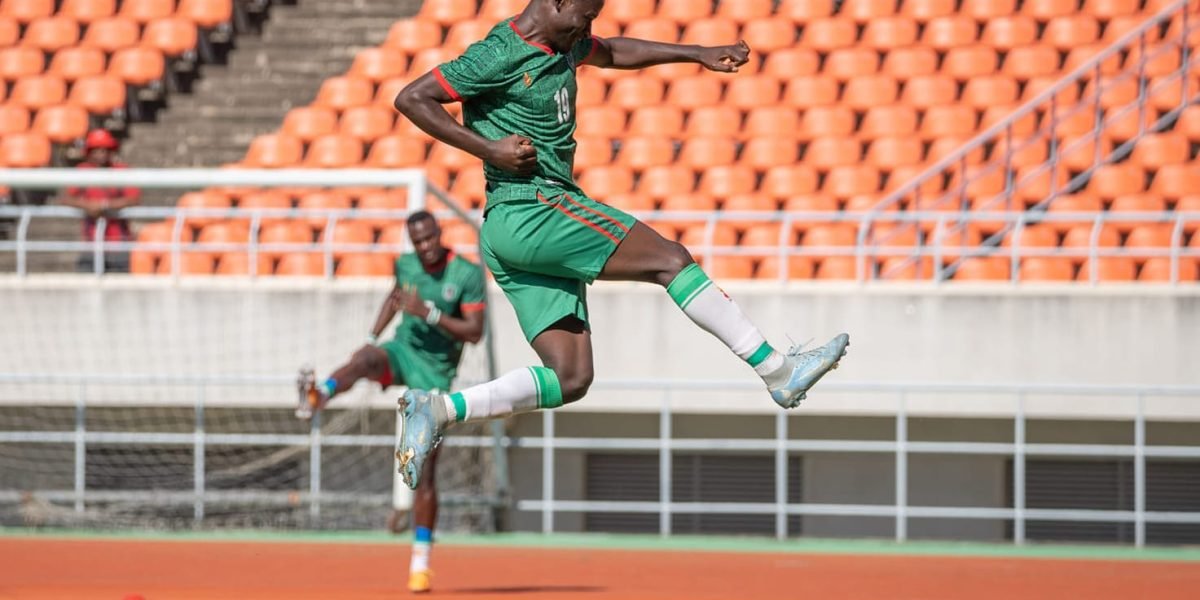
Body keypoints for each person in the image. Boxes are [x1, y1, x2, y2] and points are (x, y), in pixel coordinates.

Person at [391, 0, 849, 490]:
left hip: (511, 229)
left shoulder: (563, 40)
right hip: (535, 207)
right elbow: (412, 97)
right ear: (558, 2)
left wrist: (696, 53)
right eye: (585, 16)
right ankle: (778, 371)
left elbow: (614, 51)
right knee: (671, 260)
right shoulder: (499, 53)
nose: (589, 28)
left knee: (571, 378)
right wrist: (489, 149)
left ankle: (438, 408)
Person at [295, 210, 485, 594]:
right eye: (418, 241)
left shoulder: (466, 274)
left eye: (430, 238)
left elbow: (475, 333)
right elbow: (394, 298)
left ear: (439, 234)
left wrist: (430, 313)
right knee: (365, 358)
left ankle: (421, 562)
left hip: (434, 375)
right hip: (402, 351)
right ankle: (320, 395)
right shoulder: (406, 265)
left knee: (426, 472)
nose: (425, 246)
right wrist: (372, 334)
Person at [60, 129, 141, 273]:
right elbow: (66, 197)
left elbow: (134, 198)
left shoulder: (121, 170)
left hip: (119, 242)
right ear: (89, 152)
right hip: (92, 241)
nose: (101, 154)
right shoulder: (82, 171)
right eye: (96, 150)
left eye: (105, 149)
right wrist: (87, 205)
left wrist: (104, 205)